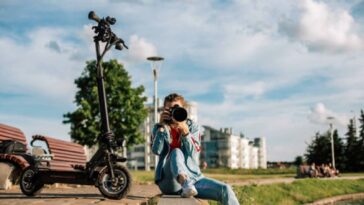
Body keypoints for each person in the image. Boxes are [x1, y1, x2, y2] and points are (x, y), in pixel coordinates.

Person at [151, 93, 240, 205]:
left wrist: (185, 132)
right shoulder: (159, 127)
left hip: (194, 179)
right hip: (169, 181)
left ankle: (187, 185)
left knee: (225, 189)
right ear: (165, 110)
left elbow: (194, 152)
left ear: (184, 109)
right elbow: (156, 151)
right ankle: (185, 183)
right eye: (170, 108)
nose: (173, 111)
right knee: (176, 152)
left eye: (176, 108)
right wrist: (161, 128)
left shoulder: (192, 127)